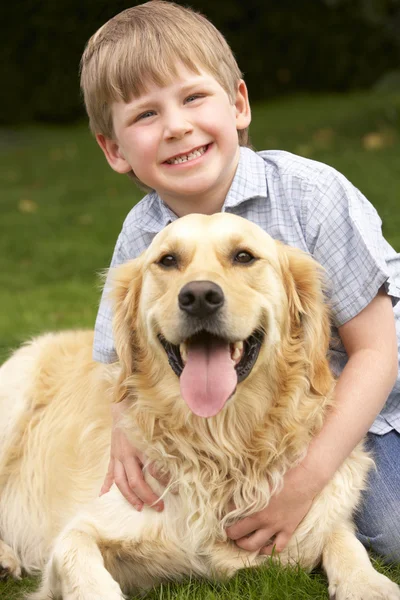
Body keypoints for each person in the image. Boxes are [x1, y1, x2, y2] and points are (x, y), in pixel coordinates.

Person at [80, 0, 400, 562]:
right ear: (114, 150)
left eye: (193, 97)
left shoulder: (312, 195)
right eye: (145, 115)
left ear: (239, 104)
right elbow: (124, 352)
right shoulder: (141, 236)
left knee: (392, 529)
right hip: (270, 421)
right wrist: (123, 428)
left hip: (375, 405)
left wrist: (305, 481)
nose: (177, 126)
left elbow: (377, 351)